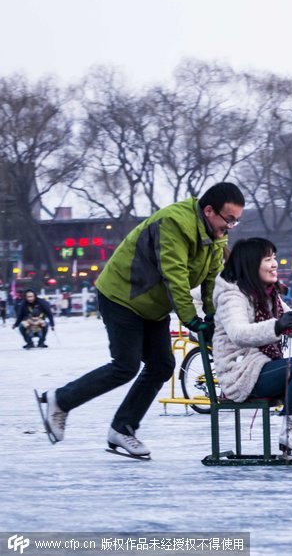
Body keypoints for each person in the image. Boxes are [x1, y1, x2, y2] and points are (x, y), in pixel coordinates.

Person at [35, 182, 245, 458]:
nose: (230, 226)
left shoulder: (215, 234)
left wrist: (212, 314)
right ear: (209, 210)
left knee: (161, 365)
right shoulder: (174, 223)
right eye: (229, 219)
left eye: (236, 222)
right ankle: (60, 400)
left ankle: (122, 428)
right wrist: (191, 320)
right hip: (122, 295)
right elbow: (175, 276)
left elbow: (210, 277)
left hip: (151, 306)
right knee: (126, 365)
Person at [213, 238, 292, 454]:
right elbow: (239, 333)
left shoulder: (268, 294)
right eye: (268, 259)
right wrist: (277, 326)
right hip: (242, 373)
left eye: (274, 258)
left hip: (264, 366)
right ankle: (290, 429)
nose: (275, 264)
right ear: (251, 264)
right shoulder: (232, 295)